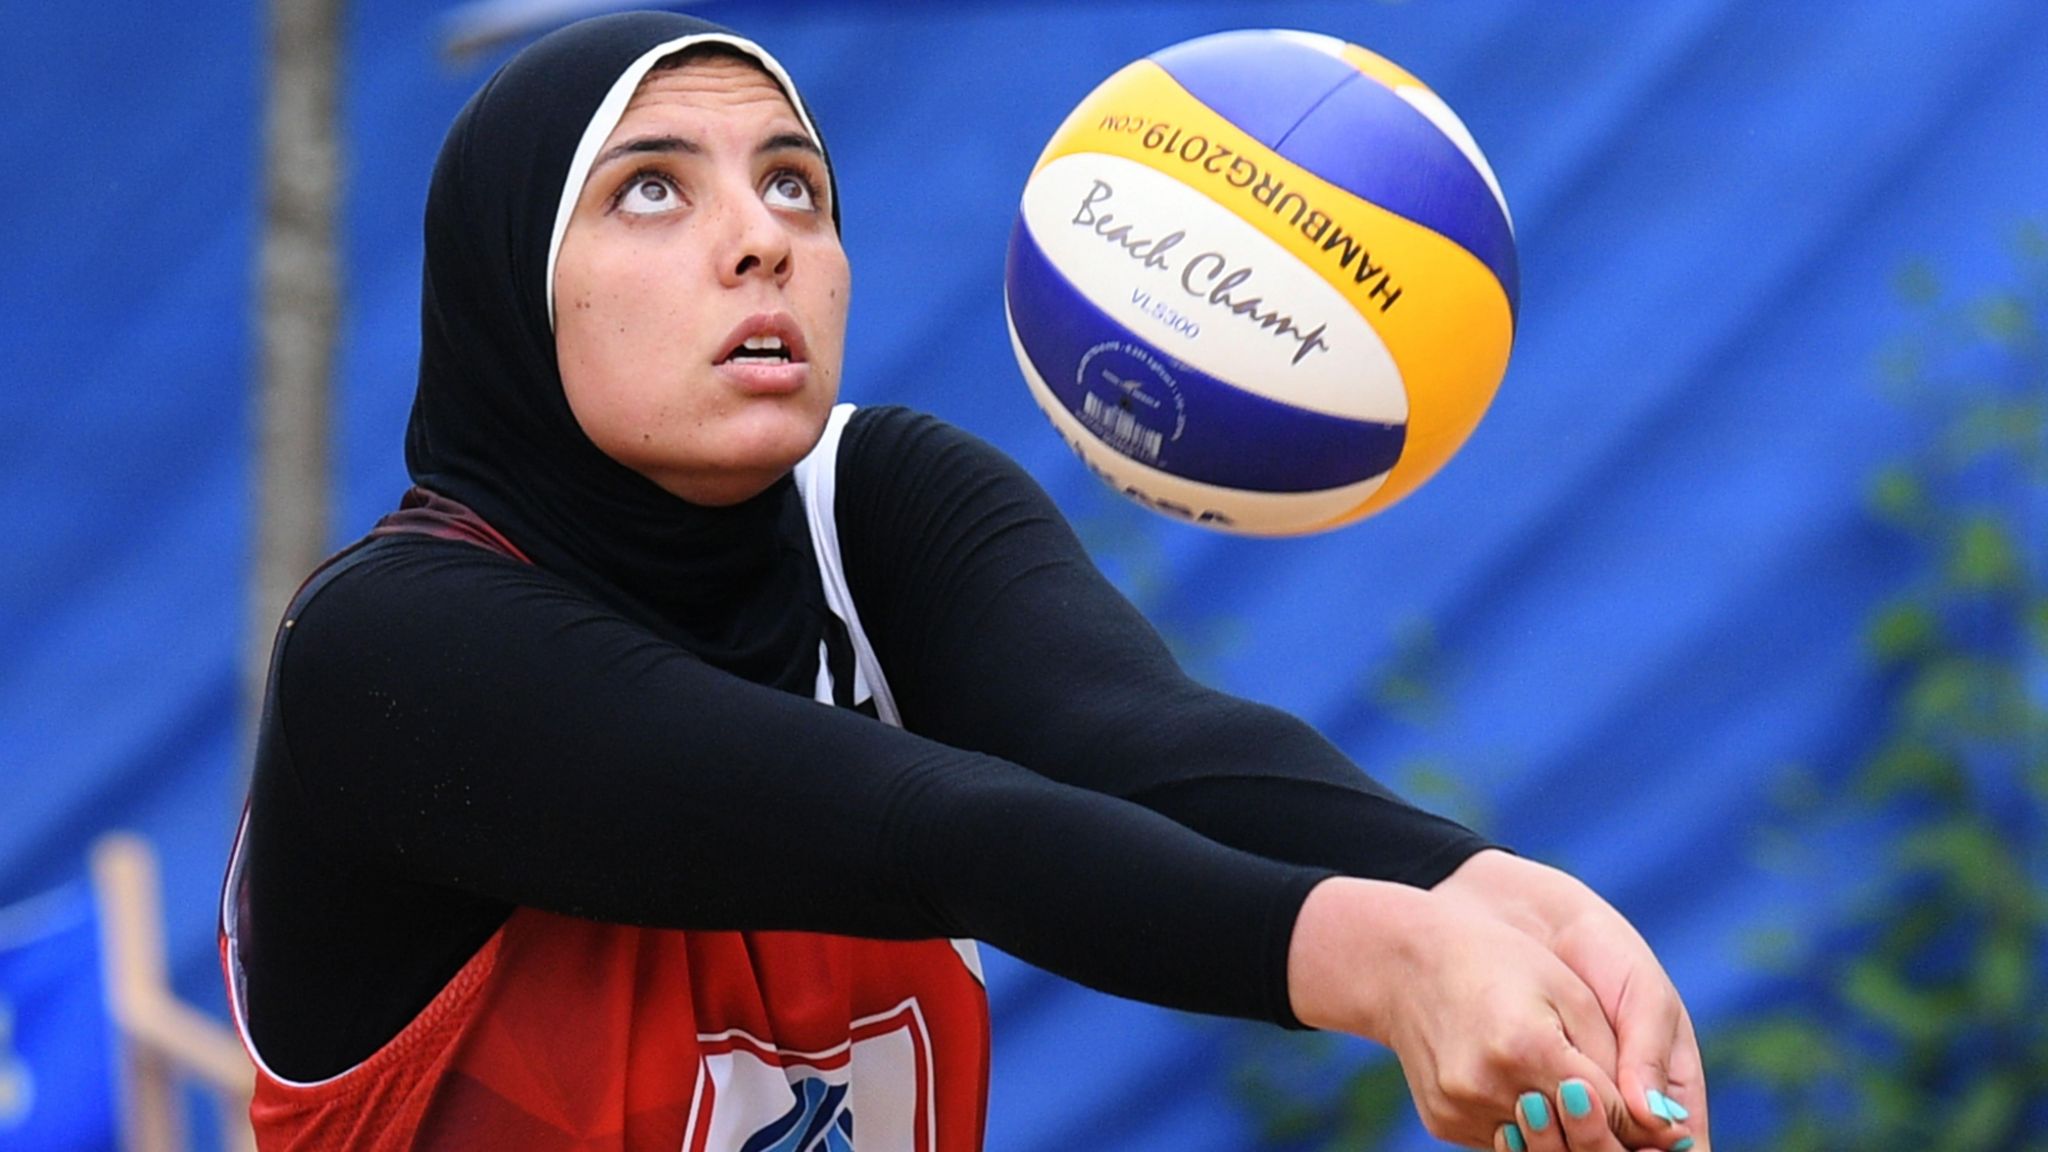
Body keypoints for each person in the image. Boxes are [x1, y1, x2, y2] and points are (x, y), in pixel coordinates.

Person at [219, 12, 1709, 1152]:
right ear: (511, 286)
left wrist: (1492, 894)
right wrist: (1390, 959)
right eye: (653, 192)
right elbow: (929, 828)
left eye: (795, 183)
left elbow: (1144, 749)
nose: (762, 240)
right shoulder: (393, 652)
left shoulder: (871, 506)